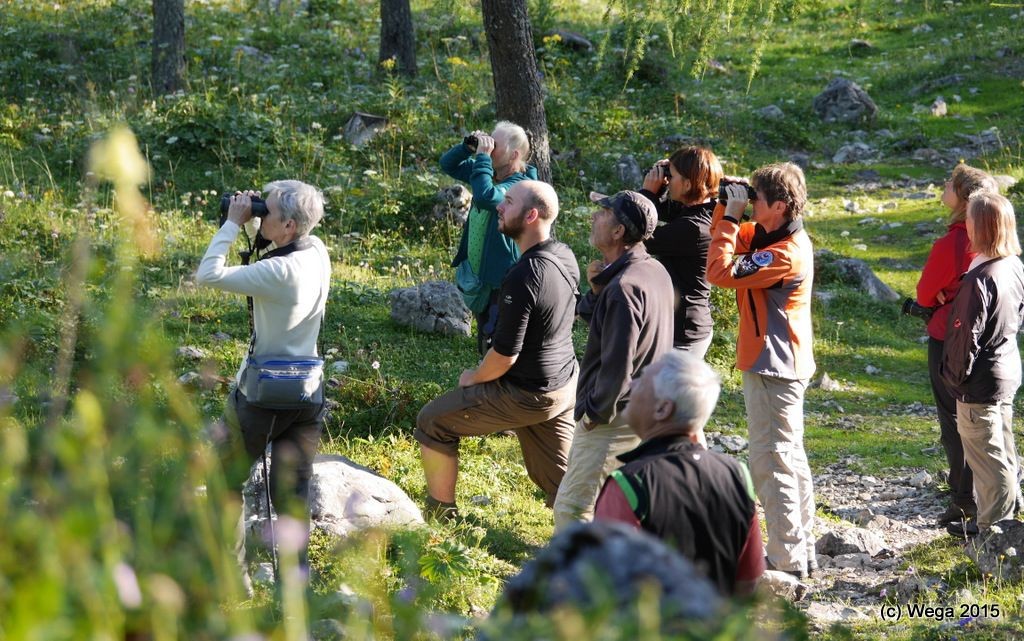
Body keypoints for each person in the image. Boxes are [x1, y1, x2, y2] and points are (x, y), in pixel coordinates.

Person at [416, 180, 579, 520]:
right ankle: (605, 534)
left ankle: (440, 514)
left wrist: (473, 377)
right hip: (562, 385)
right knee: (562, 480)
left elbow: (505, 356)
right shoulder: (563, 254)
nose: (499, 207)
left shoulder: (525, 274)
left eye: (507, 201)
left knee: (432, 422)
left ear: (531, 215)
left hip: (526, 392)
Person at [196, 180, 331, 567]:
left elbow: (208, 275)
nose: (257, 211)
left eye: (264, 210)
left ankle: (234, 580)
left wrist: (232, 224)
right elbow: (274, 248)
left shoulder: (278, 271)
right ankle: (295, 587)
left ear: (288, 225)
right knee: (293, 493)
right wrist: (258, 221)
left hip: (261, 397)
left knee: (224, 479)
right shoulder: (317, 251)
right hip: (308, 395)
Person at [705, 163, 816, 579]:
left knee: (773, 463)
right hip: (781, 361)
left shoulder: (783, 254)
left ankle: (786, 560)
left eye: (757, 201)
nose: (751, 206)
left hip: (774, 366)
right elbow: (724, 239)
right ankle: (801, 547)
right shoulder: (774, 233)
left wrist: (733, 217)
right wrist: (727, 207)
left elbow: (721, 271)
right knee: (790, 458)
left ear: (780, 206)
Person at [594, 351, 765, 596]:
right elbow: (748, 580)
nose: (631, 383)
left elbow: (602, 582)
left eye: (642, 380)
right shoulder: (737, 475)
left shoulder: (629, 485)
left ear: (663, 409)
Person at [552, 191, 674, 530]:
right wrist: (596, 292)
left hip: (614, 417)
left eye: (603, 212)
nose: (594, 217)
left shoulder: (625, 288)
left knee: (574, 509)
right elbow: (617, 331)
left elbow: (618, 365)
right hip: (647, 411)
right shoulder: (653, 271)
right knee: (622, 513)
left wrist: (594, 412)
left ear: (618, 231)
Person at [915, 164, 999, 527]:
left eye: (950, 182)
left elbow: (923, 292)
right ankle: (988, 497)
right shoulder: (999, 241)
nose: (943, 185)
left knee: (953, 419)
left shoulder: (952, 242)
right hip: (990, 340)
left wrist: (935, 296)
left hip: (948, 337)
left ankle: (963, 500)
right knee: (985, 419)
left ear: (964, 197)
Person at [941, 191, 1024, 538]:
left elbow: (965, 340)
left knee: (989, 464)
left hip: (980, 383)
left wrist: (954, 380)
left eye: (970, 219)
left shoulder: (981, 278)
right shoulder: (1013, 266)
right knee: (1002, 450)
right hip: (1005, 370)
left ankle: (996, 536)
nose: (966, 224)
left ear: (981, 227)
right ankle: (1009, 521)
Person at [440, 121, 537, 354]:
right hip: (482, 274)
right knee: (485, 333)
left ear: (514, 155)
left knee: (496, 338)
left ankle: (493, 379)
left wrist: (482, 159)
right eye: (489, 141)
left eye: (495, 145)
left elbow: (486, 197)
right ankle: (486, 376)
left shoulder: (521, 185)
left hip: (502, 279)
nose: (489, 148)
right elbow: (447, 164)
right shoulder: (490, 173)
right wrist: (467, 148)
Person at [639, 146, 723, 359]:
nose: (668, 179)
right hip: (682, 325)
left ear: (687, 184)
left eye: (672, 176)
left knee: (665, 393)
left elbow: (634, 236)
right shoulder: (707, 209)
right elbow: (661, 212)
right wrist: (660, 188)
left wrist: (648, 193)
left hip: (682, 334)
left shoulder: (693, 228)